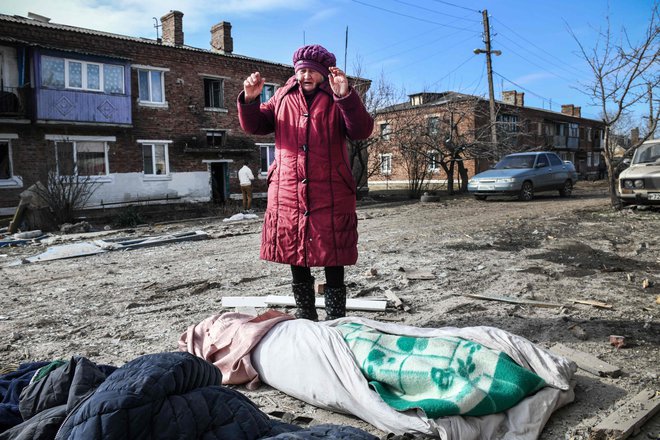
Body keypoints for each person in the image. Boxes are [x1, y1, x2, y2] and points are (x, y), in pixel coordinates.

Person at [237, 44, 374, 321]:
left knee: (333, 252)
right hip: (288, 188)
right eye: (301, 71)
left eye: (311, 71)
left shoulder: (337, 97)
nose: (305, 76)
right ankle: (306, 316)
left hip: (330, 189)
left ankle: (336, 317)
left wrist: (345, 96)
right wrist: (250, 100)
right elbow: (255, 126)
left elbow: (361, 130)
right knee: (295, 251)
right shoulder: (282, 96)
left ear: (324, 73)